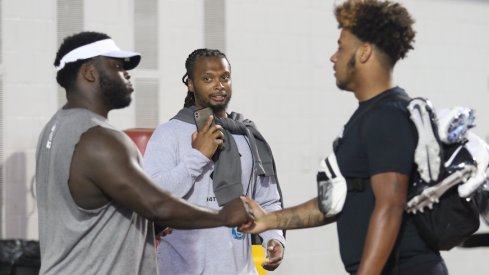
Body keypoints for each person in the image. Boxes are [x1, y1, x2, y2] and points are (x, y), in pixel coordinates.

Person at [240, 0, 449, 274]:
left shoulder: (387, 115)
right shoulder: (367, 116)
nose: (333, 56)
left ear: (363, 53)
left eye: (341, 47)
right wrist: (269, 220)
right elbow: (334, 204)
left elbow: (390, 205)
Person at [35, 31, 252, 275]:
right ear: (90, 72)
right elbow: (157, 205)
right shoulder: (99, 138)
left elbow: (91, 206)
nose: (127, 74)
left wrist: (154, 225)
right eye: (117, 66)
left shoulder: (55, 128)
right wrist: (224, 217)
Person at [143, 48, 285, 275]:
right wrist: (198, 157)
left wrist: (274, 237)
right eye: (207, 78)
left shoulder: (247, 135)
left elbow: (267, 200)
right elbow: (152, 199)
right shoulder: (169, 133)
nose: (219, 85)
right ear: (190, 83)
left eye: (224, 77)